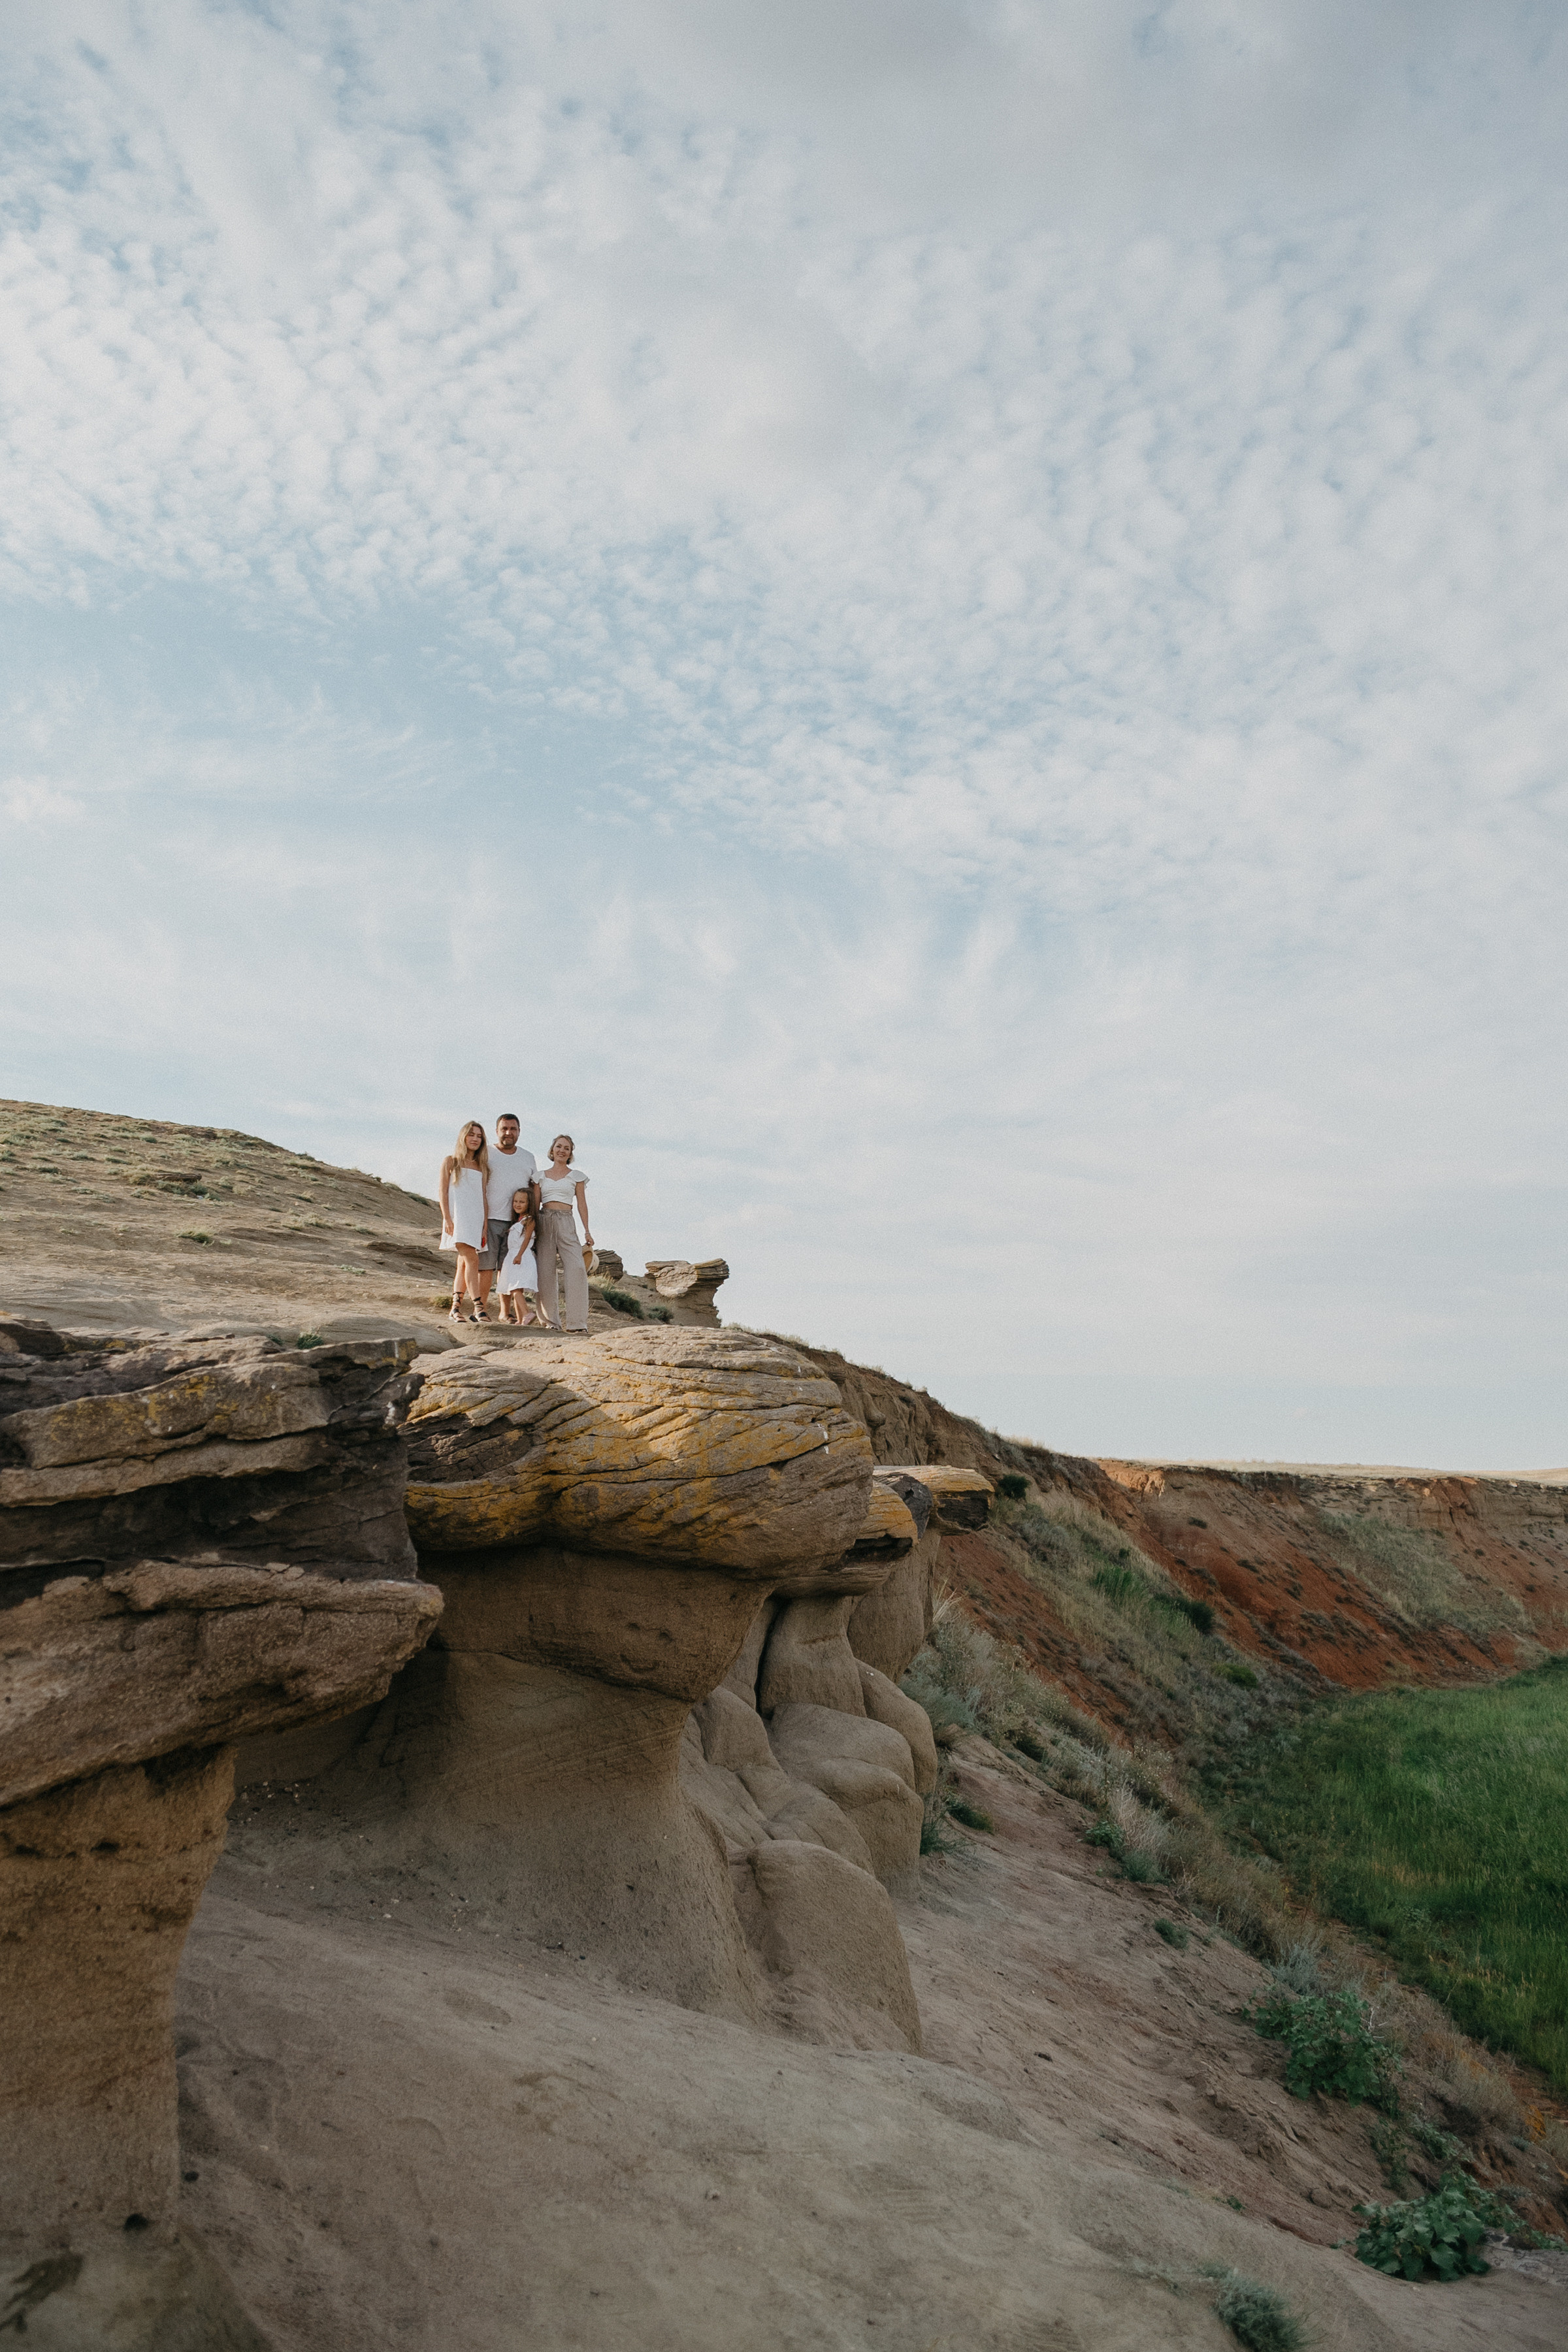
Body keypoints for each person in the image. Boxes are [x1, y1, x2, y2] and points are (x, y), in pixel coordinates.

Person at [478, 1111, 538, 1321]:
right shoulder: (486, 1153)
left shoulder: (528, 1157)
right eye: (504, 1129)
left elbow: (533, 1189)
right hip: (490, 1218)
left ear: (519, 1132)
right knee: (485, 1268)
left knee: (508, 1270)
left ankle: (505, 1313)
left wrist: (533, 1218)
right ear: (497, 1131)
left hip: (517, 1223)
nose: (508, 1133)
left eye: (513, 1129)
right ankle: (481, 1310)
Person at [533, 1134, 593, 1333]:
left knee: (576, 1269)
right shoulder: (539, 1176)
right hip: (544, 1220)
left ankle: (577, 1324)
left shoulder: (577, 1176)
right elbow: (534, 1206)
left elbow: (582, 1205)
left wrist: (587, 1231)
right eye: (559, 1146)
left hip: (567, 1220)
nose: (562, 1150)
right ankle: (551, 1322)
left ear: (570, 1154)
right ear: (552, 1150)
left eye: (567, 1148)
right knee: (545, 1271)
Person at [438, 1120, 490, 1322]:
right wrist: (447, 1218)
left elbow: (483, 1197)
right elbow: (443, 1192)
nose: (475, 1139)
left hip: (475, 1220)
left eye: (479, 1136)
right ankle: (479, 1307)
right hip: (457, 1219)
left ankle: (455, 1309)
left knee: (462, 1264)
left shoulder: (481, 1167)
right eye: (472, 1135)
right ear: (463, 1137)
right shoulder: (451, 1161)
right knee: (472, 1260)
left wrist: (485, 1225)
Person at [497, 1188, 539, 1326]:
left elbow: (526, 1239)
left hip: (521, 1256)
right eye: (515, 1201)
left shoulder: (530, 1220)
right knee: (516, 1288)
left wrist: (519, 1255)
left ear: (529, 1204)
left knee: (515, 1288)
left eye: (522, 1202)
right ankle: (521, 1320)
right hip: (513, 1256)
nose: (518, 1204)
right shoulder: (518, 1222)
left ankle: (527, 1313)